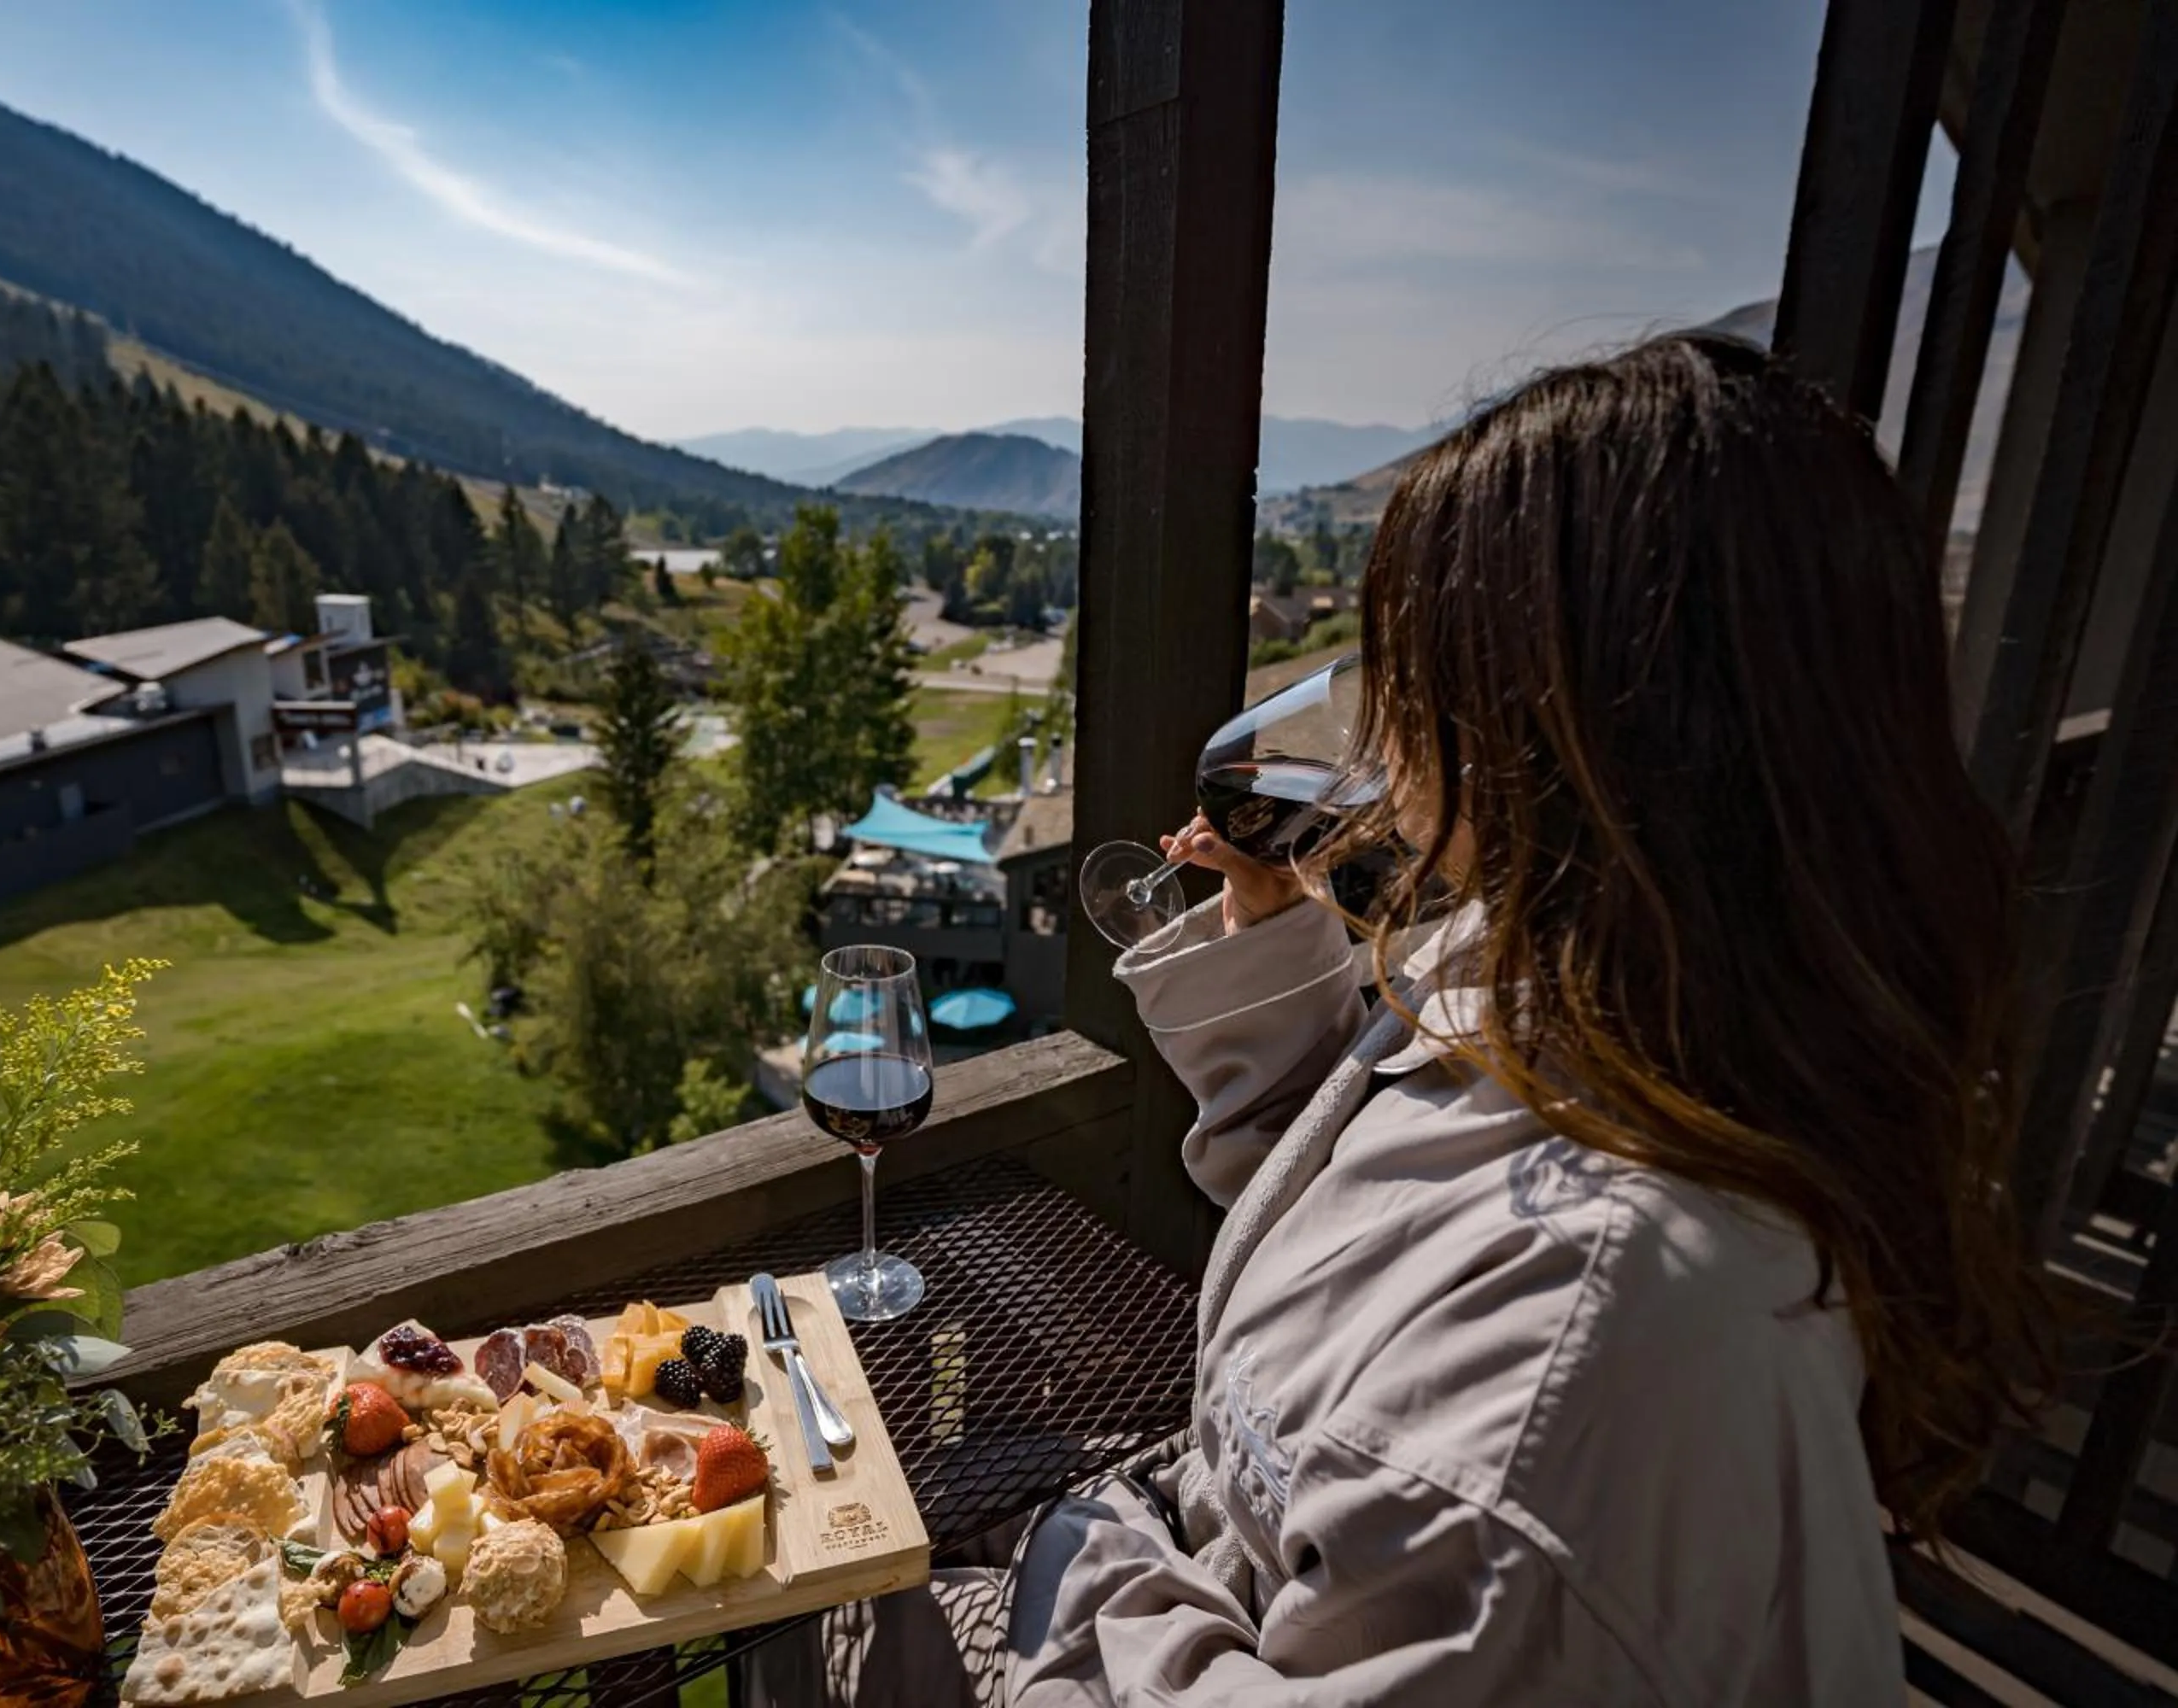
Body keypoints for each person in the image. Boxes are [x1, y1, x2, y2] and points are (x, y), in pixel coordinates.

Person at [752, 334, 2055, 1705]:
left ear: (1557, 728)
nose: (1375, 741)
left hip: (1150, 1614)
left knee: (806, 1576)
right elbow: (1363, 1239)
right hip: (1185, 1563)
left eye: (1410, 674)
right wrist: (1267, 929)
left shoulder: (1584, 1363)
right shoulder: (1624, 1014)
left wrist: (1080, 1556)